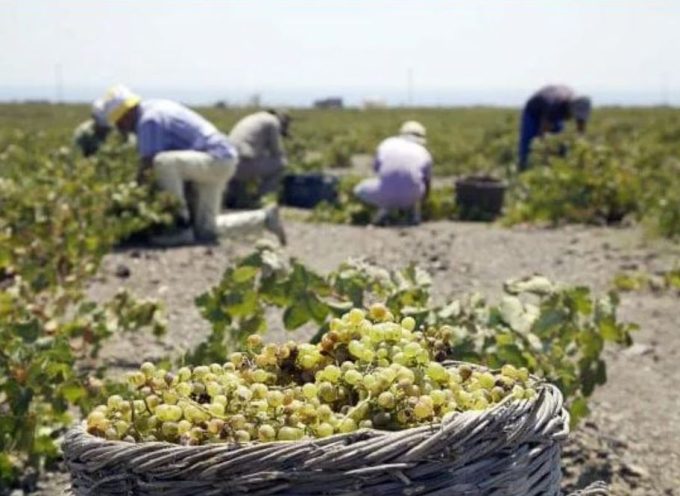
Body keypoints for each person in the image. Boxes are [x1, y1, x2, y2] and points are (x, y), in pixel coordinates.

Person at [99, 84, 286, 246]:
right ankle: (264, 219)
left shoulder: (149, 120)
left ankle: (179, 226)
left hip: (214, 159)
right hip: (221, 160)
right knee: (206, 230)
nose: (120, 127)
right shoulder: (155, 107)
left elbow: (148, 166)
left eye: (119, 122)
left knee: (161, 163)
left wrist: (133, 199)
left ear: (126, 114)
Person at [354, 121, 432, 226]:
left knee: (359, 189)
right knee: (416, 184)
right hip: (412, 196)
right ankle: (413, 215)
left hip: (385, 191)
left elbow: (377, 170)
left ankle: (384, 211)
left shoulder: (387, 143)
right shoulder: (425, 153)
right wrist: (422, 203)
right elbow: (427, 184)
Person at [518, 85, 592, 171]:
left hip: (554, 111)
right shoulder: (554, 105)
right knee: (529, 141)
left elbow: (581, 131)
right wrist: (544, 152)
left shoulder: (580, 104)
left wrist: (581, 151)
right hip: (533, 112)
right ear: (570, 107)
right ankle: (523, 167)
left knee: (560, 143)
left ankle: (560, 165)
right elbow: (543, 133)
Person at [226, 109, 290, 207]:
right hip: (242, 165)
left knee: (250, 158)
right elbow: (277, 151)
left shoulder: (252, 118)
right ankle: (263, 199)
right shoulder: (272, 122)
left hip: (226, 164)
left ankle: (233, 198)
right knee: (281, 163)